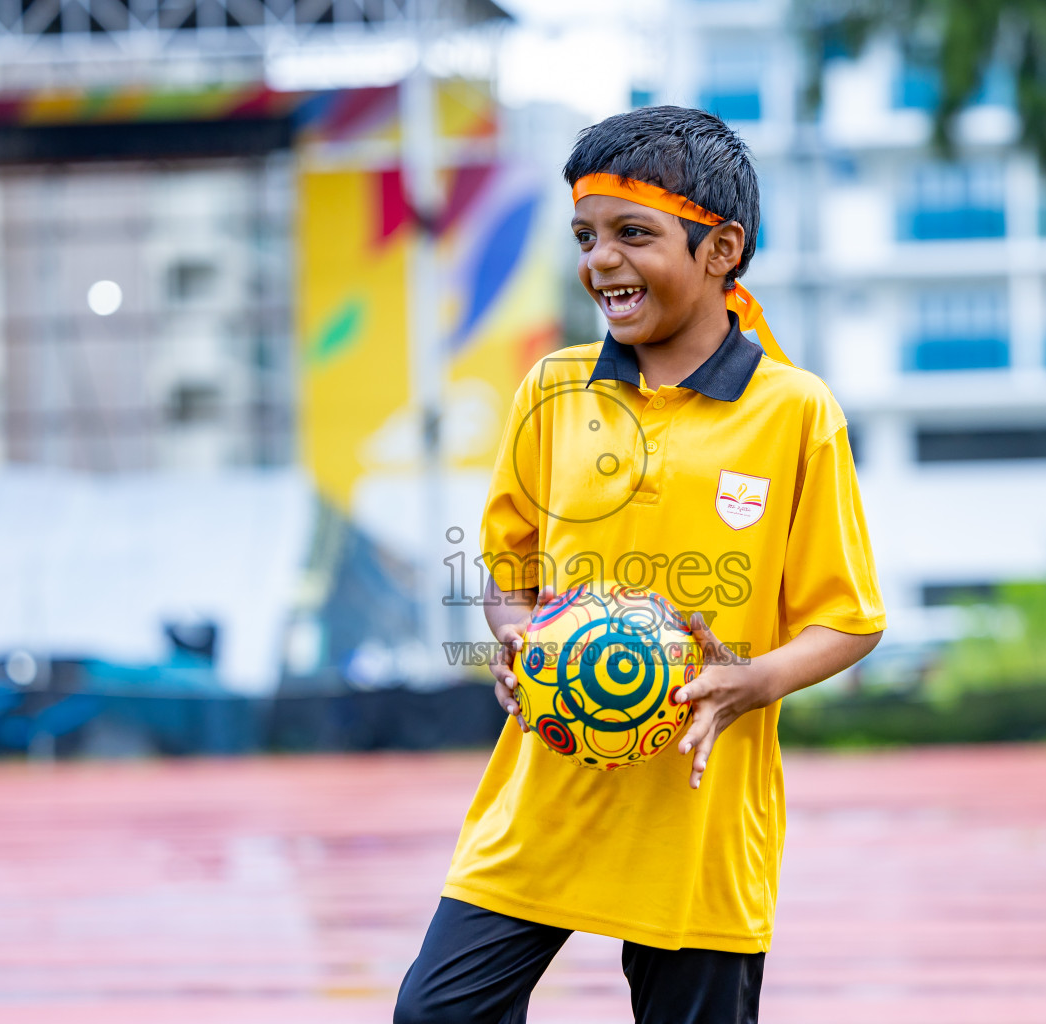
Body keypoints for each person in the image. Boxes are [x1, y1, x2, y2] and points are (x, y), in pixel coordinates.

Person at [394, 106, 886, 1024]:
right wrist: (519, 639)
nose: (601, 260)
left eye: (633, 233)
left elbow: (849, 618)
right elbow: (509, 572)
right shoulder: (553, 388)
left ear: (721, 249)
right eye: (586, 235)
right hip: (548, 790)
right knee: (436, 1015)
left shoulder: (794, 412)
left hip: (697, 820)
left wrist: (749, 681)